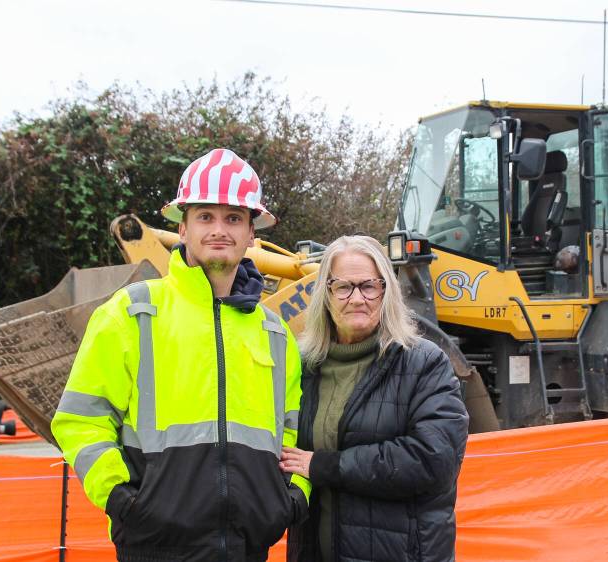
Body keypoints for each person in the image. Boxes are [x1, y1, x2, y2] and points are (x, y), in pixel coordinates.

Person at [51, 148, 310, 562]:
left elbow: (295, 432)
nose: (219, 230)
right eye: (205, 217)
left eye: (233, 218)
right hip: (152, 544)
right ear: (183, 228)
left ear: (250, 235)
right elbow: (80, 421)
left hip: (248, 547)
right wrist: (122, 500)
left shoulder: (274, 333)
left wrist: (291, 500)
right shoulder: (131, 313)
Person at [280, 235, 469, 562]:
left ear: (386, 292)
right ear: (325, 295)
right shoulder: (304, 366)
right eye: (343, 287)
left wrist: (325, 466)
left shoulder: (423, 363)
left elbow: (433, 460)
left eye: (368, 286)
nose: (356, 299)